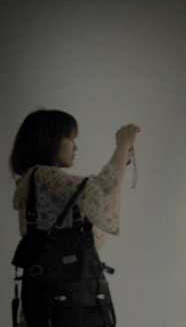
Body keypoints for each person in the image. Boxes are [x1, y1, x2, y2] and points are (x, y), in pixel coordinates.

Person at [9, 109, 140, 326]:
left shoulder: (32, 179)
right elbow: (101, 190)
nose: (75, 147)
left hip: (49, 299)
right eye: (70, 138)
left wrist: (121, 159)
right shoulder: (45, 175)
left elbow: (93, 198)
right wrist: (123, 144)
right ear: (49, 140)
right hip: (68, 302)